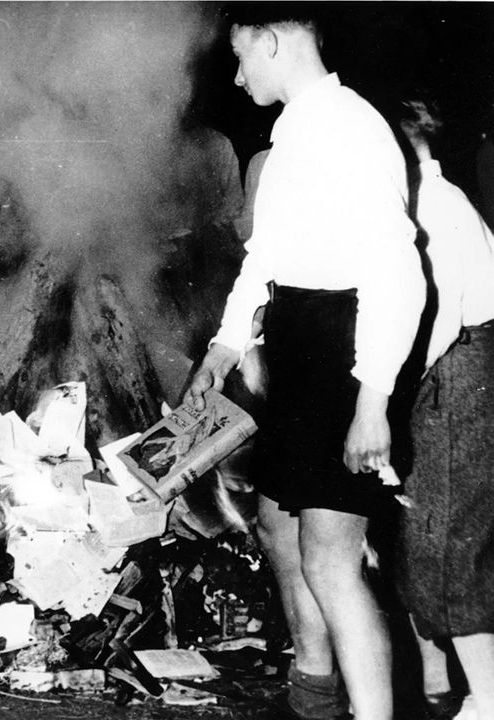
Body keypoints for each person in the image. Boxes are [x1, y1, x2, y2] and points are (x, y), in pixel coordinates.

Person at [186, 6, 424, 720]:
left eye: (241, 57)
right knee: (278, 530)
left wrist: (373, 399)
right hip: (293, 341)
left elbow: (399, 274)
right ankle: (313, 693)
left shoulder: (352, 128)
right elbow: (267, 256)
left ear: (273, 42)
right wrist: (225, 345)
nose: (236, 74)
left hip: (340, 353)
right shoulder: (294, 130)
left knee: (330, 558)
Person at [396, 97, 494, 720]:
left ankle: (487, 701)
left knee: (452, 542)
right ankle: (444, 687)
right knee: (425, 533)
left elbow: (438, 319)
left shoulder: (437, 207)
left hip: (456, 373)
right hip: (450, 370)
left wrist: (393, 393)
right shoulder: (432, 199)